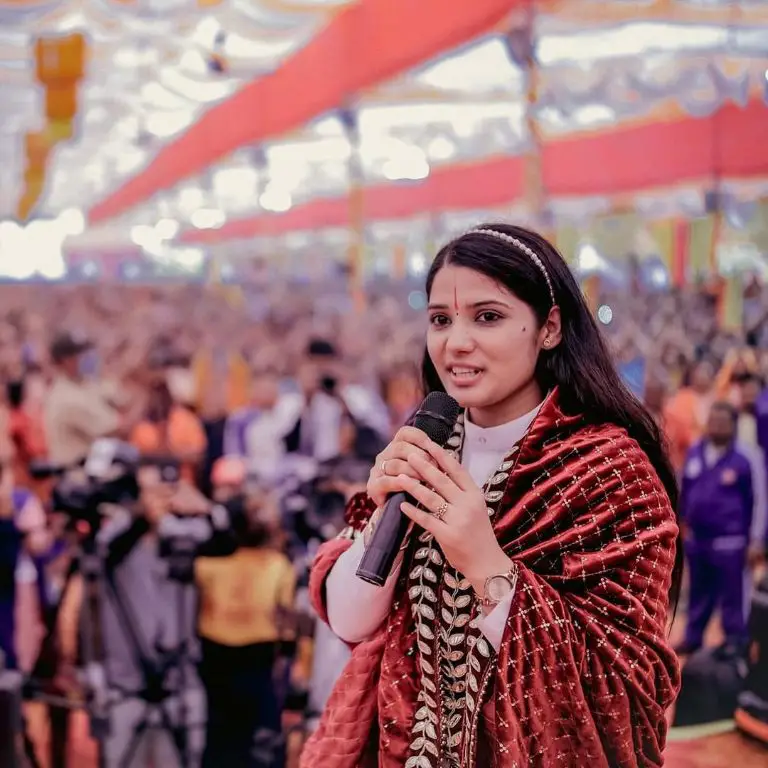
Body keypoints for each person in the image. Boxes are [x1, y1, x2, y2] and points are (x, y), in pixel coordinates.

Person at [301, 225, 681, 767]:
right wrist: (380, 521)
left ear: (548, 328)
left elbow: (626, 687)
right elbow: (351, 622)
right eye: (440, 319)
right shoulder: (426, 442)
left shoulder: (610, 472)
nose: (455, 343)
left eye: (488, 317)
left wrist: (486, 565)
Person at [677, 402, 767, 656]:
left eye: (722, 422)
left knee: (733, 599)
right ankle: (693, 638)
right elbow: (685, 492)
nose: (716, 426)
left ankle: (735, 643)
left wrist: (756, 539)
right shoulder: (696, 452)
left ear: (733, 425)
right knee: (697, 595)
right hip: (698, 540)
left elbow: (759, 500)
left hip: (732, 542)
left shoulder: (747, 457)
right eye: (712, 421)